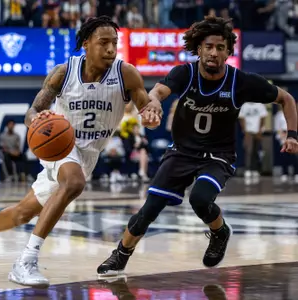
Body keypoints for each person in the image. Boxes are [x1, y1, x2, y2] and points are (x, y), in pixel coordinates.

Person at [0, 15, 162, 286]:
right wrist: (35, 120)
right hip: (58, 145)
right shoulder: (64, 72)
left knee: (23, 213)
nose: (110, 49)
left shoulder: (126, 73)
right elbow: (33, 110)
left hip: (88, 155)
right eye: (103, 42)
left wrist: (152, 113)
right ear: (86, 43)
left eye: (114, 43)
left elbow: (146, 105)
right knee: (74, 183)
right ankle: (25, 261)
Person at [97, 16, 298, 276]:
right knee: (148, 210)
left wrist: (292, 134)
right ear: (199, 49)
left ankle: (219, 231)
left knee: (200, 198)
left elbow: (287, 99)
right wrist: (155, 102)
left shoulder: (241, 81)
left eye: (220, 47)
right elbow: (159, 91)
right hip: (181, 152)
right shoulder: (185, 73)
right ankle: (120, 256)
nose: (214, 52)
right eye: (209, 46)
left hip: (218, 156)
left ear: (228, 51)